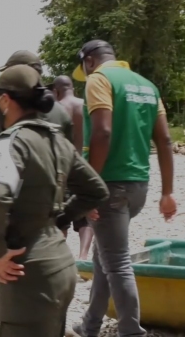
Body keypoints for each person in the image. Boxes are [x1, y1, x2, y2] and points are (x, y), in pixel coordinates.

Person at [0, 65, 109, 336]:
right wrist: (60, 218)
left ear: (6, 100)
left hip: (29, 274)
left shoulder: (11, 142)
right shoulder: (57, 141)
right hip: (61, 264)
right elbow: (96, 190)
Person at [0, 50, 76, 337]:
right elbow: (70, 169)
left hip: (1, 208)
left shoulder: (2, 108)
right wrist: (64, 218)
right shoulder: (60, 113)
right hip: (45, 218)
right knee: (42, 277)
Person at [69, 40, 178, 337]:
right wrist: (167, 191)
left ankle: (131, 332)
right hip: (138, 186)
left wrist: (91, 186)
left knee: (116, 261)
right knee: (105, 254)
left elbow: (102, 132)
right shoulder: (147, 86)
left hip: (109, 185)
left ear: (89, 61)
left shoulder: (99, 80)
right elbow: (165, 141)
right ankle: (90, 324)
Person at [48, 75, 93, 260]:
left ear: (56, 91)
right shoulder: (87, 105)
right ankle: (83, 257)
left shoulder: (57, 108)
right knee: (86, 217)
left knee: (61, 215)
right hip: (85, 163)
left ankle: (61, 257)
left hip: (64, 166)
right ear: (72, 87)